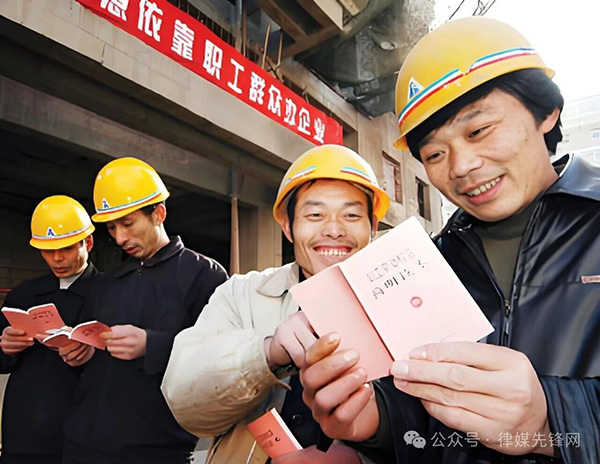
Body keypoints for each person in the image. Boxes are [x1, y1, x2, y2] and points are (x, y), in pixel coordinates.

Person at [298, 17, 599, 463]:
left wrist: (551, 421)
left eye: (478, 131)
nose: (461, 166)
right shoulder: (432, 261)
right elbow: (427, 417)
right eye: (435, 153)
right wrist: (376, 420)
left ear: (546, 112)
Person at [161, 145, 390, 463]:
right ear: (288, 226)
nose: (334, 230)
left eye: (351, 215)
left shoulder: (403, 300)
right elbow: (184, 402)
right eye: (315, 215)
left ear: (373, 226)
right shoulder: (242, 294)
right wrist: (266, 353)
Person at [62, 157, 228, 464]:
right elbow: (92, 343)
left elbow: (220, 357)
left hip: (156, 450)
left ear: (159, 213)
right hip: (81, 443)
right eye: (112, 228)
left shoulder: (204, 274)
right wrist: (82, 350)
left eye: (127, 224)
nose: (120, 238)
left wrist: (152, 344)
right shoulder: (108, 281)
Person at [0, 195, 98, 464]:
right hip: (21, 433)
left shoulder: (110, 293)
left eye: (66, 248)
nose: (57, 258)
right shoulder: (23, 295)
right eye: (47, 250)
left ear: (88, 243)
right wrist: (5, 347)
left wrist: (92, 353)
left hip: (82, 436)